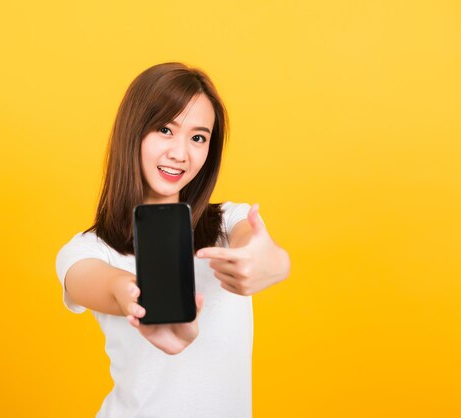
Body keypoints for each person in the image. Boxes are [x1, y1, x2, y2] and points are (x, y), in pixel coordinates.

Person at [55, 62, 290, 418]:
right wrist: (135, 295)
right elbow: (97, 283)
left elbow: (267, 254)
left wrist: (266, 263)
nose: (181, 153)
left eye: (198, 137)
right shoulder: (89, 251)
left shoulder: (227, 223)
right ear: (133, 132)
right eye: (165, 129)